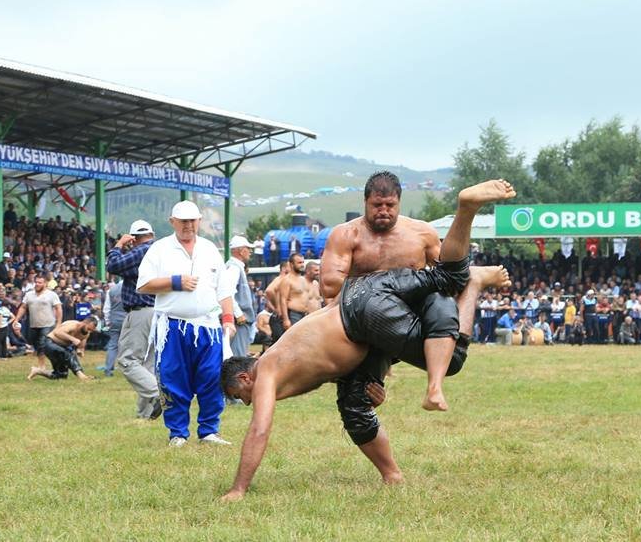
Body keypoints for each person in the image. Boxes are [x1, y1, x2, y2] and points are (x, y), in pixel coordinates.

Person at [219, 179, 514, 501]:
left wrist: (238, 489)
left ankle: (469, 244)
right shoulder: (286, 359)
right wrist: (371, 380)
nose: (247, 402)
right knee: (355, 406)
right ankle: (392, 475)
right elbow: (325, 360)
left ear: (246, 376)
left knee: (452, 344)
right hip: (361, 309)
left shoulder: (268, 372)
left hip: (361, 311)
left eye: (241, 394)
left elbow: (260, 430)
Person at [321, 172, 507, 411]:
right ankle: (475, 273)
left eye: (390, 205)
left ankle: (435, 389)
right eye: (377, 205)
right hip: (364, 320)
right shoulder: (346, 234)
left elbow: (450, 275)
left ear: (399, 202)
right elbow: (330, 288)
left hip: (409, 315)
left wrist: (465, 289)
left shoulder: (421, 233)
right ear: (365, 203)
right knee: (358, 403)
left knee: (442, 302)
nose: (384, 210)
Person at [137, 201, 237, 447]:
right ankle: (178, 434)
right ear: (172, 222)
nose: (188, 226)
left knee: (212, 377)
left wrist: (228, 319)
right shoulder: (159, 249)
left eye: (192, 220)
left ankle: (209, 431)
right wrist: (174, 282)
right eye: (183, 221)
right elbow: (143, 285)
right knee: (173, 378)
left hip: (208, 327)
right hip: (173, 326)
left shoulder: (210, 249)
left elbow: (224, 290)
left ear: (199, 221)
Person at [106, 219, 161, 420]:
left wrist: (119, 245)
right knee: (147, 364)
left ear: (134, 237)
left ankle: (158, 395)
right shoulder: (158, 251)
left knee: (128, 360)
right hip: (157, 311)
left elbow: (113, 265)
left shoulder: (142, 250)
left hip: (142, 311)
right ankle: (146, 414)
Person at [12, 275, 62, 370]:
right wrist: (16, 319)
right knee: (37, 345)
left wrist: (58, 322)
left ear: (45, 284)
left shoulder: (51, 295)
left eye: (40, 282)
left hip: (48, 324)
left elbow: (58, 308)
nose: (37, 284)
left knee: (42, 344)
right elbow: (23, 307)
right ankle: (50, 362)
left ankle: (42, 365)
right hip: (34, 324)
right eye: (36, 282)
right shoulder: (29, 294)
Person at [26, 316, 98, 381]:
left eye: (91, 330)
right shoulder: (73, 325)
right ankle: (81, 375)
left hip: (61, 348)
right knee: (68, 354)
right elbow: (58, 332)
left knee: (61, 375)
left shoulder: (86, 334)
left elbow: (81, 346)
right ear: (84, 323)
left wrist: (80, 350)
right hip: (50, 344)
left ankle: (37, 371)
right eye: (88, 329)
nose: (89, 331)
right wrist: (72, 339)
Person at [223, 235, 260, 358]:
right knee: (238, 358)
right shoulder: (234, 268)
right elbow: (227, 292)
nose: (250, 252)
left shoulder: (235, 267)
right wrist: (238, 314)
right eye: (247, 248)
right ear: (240, 251)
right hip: (238, 322)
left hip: (240, 321)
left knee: (240, 355)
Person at [276, 253, 312, 333]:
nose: (302, 265)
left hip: (305, 314)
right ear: (291, 264)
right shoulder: (287, 280)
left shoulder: (303, 279)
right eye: (299, 263)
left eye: (303, 262)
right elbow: (283, 300)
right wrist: (286, 319)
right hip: (293, 315)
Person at [102, 280, 125, 377]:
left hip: (114, 320)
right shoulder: (132, 288)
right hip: (128, 319)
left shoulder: (111, 290)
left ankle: (108, 369)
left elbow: (107, 308)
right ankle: (128, 368)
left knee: (113, 345)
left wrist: (107, 321)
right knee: (129, 345)